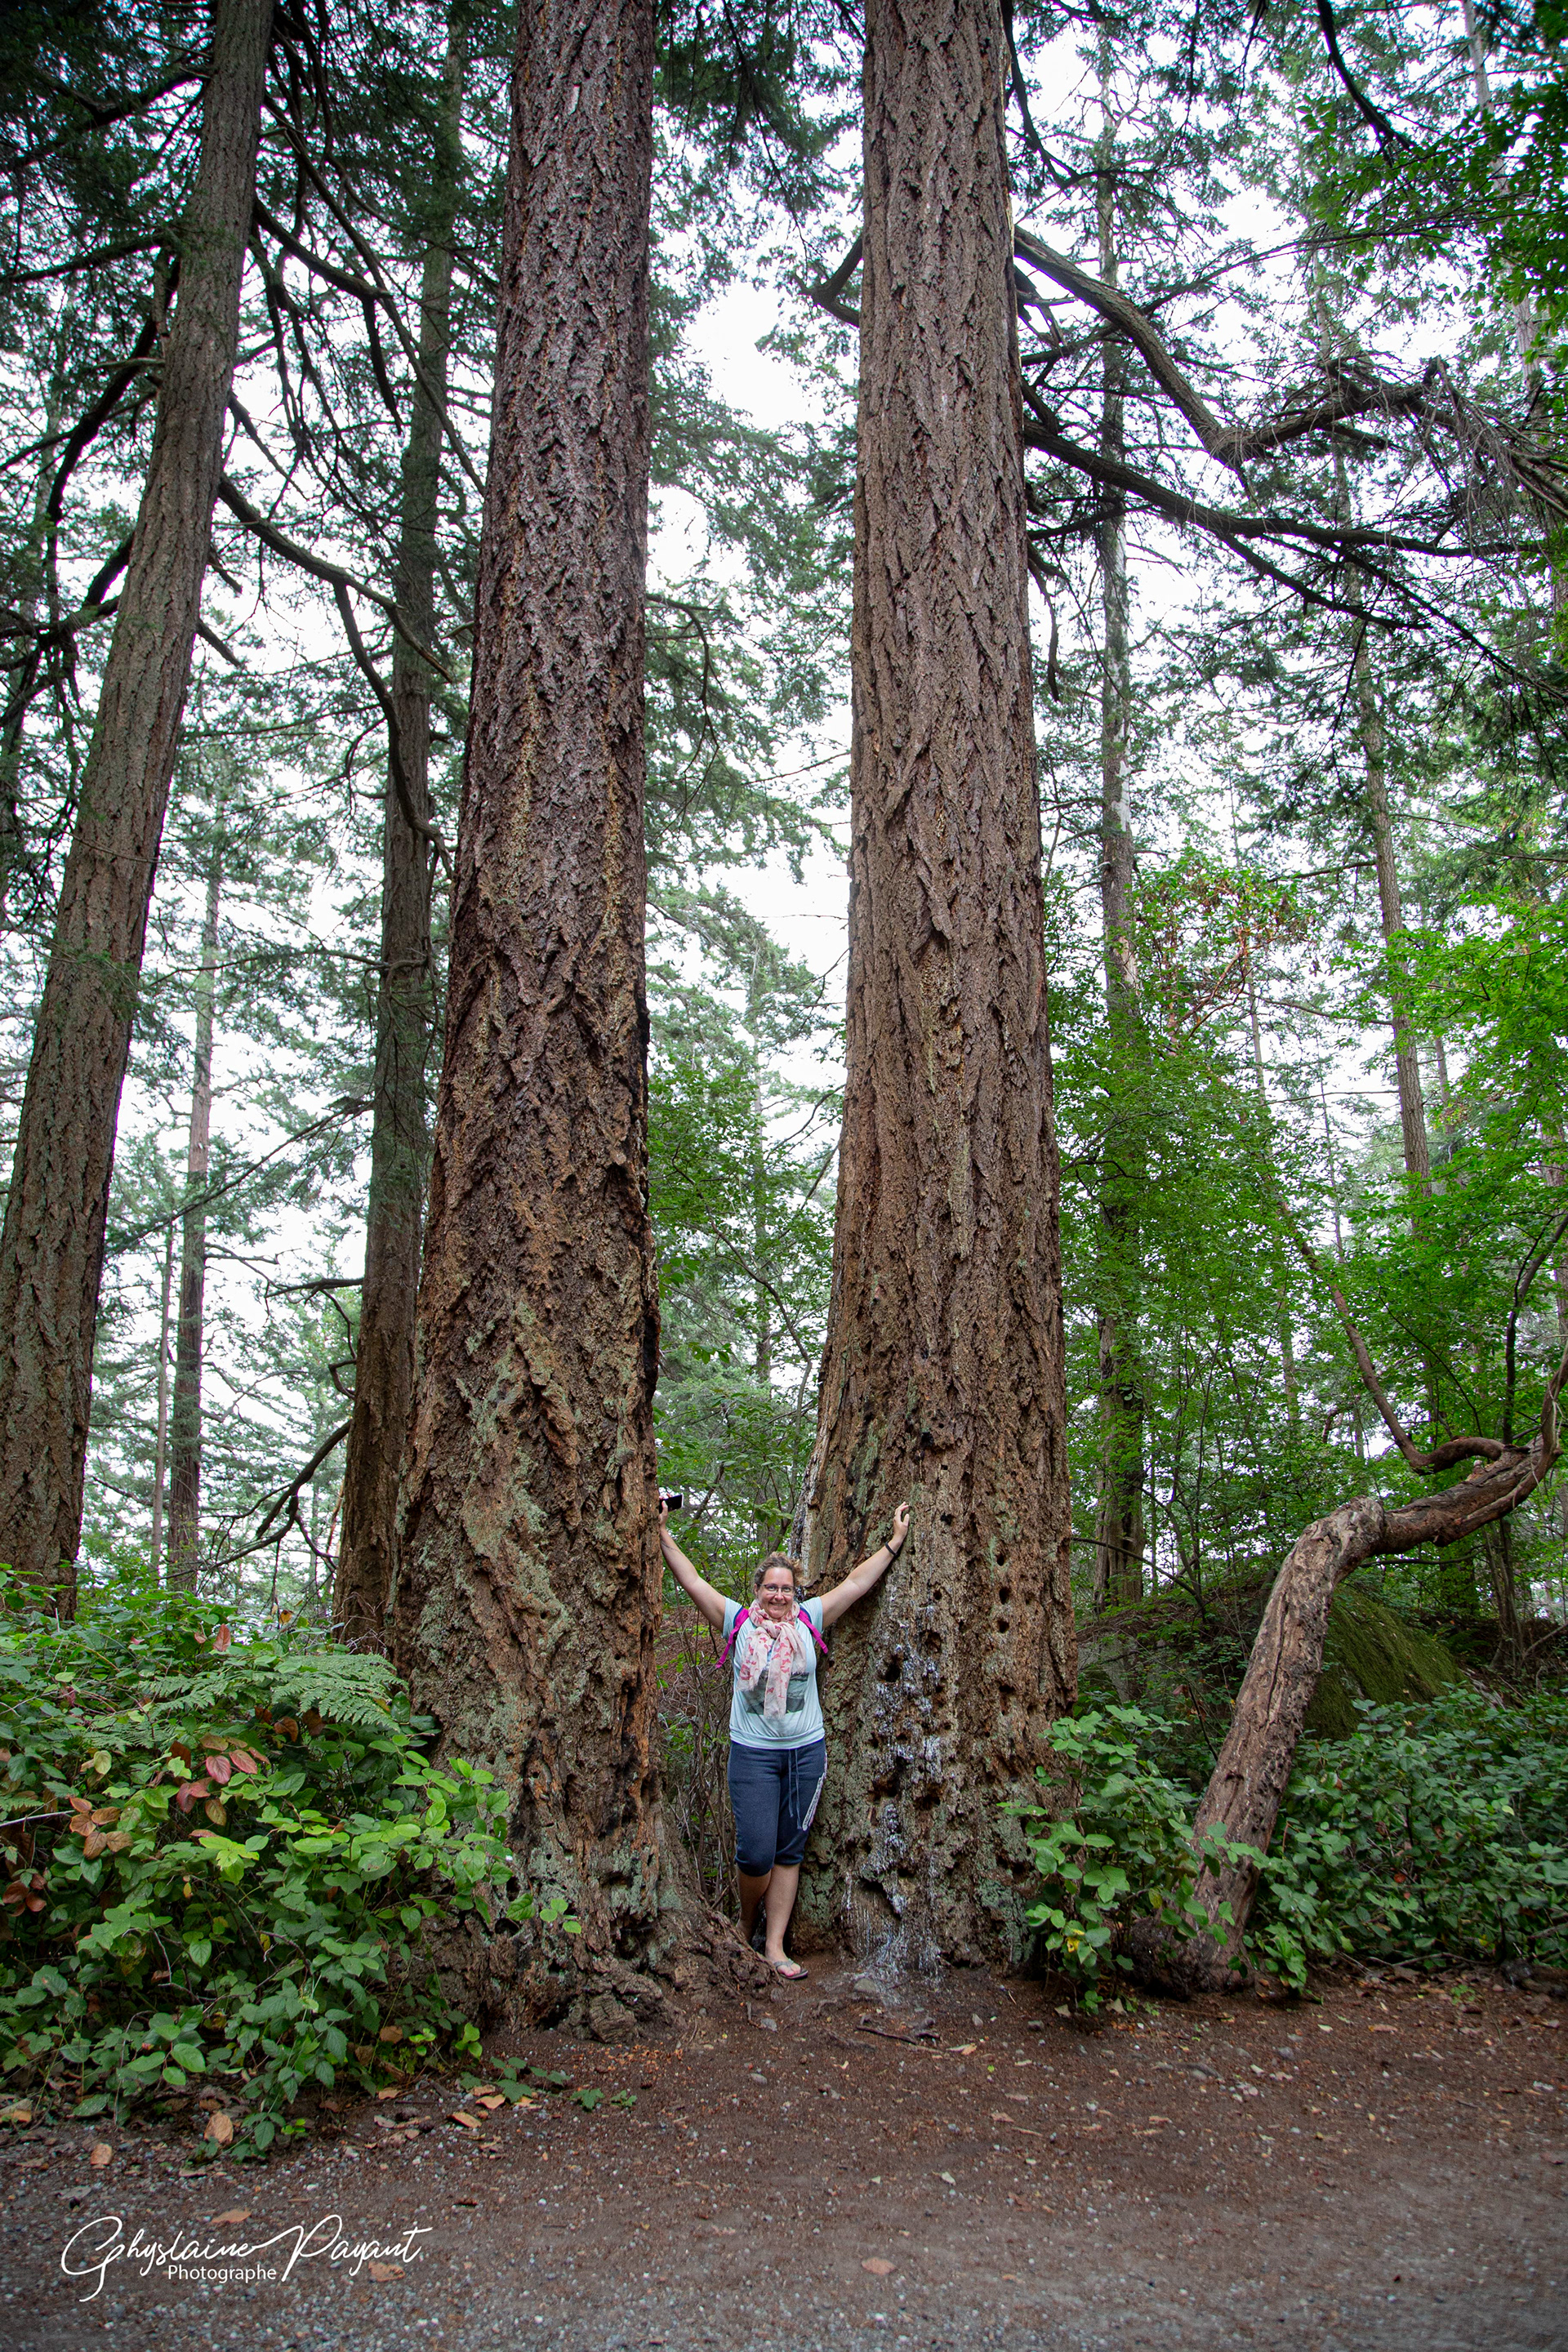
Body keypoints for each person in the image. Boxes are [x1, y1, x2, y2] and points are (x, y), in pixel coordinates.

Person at [658, 1498, 911, 1980]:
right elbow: (692, 1581)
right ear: (757, 1591)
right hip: (753, 1755)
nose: (778, 1595)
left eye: (786, 1588)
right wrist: (663, 1536)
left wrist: (894, 1544)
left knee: (790, 1850)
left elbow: (856, 1585)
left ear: (795, 1592)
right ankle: (744, 1925)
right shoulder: (736, 1622)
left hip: (805, 1754)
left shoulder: (810, 1620)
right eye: (771, 1588)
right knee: (755, 1852)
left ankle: (774, 1947)